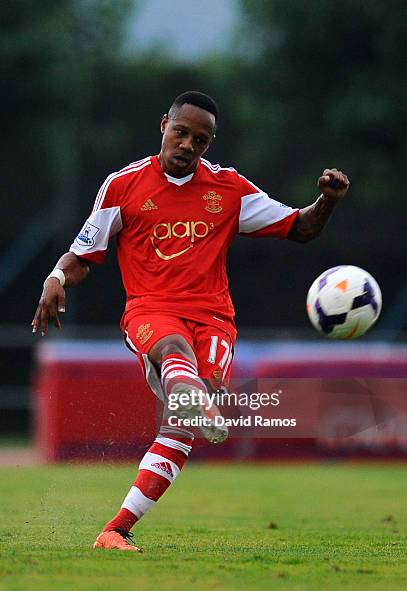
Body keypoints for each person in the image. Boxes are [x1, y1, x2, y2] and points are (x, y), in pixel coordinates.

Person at [32, 91, 350, 552]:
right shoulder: (123, 185)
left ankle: (114, 531)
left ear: (209, 144)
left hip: (215, 319)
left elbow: (299, 227)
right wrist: (57, 275)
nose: (188, 145)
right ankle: (190, 391)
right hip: (150, 310)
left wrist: (328, 201)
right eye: (181, 132)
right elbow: (85, 253)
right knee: (174, 354)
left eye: (200, 140)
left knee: (180, 429)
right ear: (164, 125)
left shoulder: (229, 189)